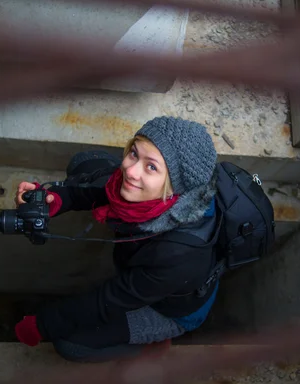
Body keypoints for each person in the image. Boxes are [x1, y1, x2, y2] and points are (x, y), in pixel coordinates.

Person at [13, 116, 220, 363]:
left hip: (168, 309)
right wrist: (57, 199)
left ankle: (149, 346)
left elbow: (109, 301)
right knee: (84, 162)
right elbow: (101, 191)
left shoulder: (177, 256)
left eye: (151, 166)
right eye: (134, 153)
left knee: (70, 346)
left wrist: (43, 324)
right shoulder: (161, 195)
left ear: (176, 187)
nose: (128, 169)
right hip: (155, 269)